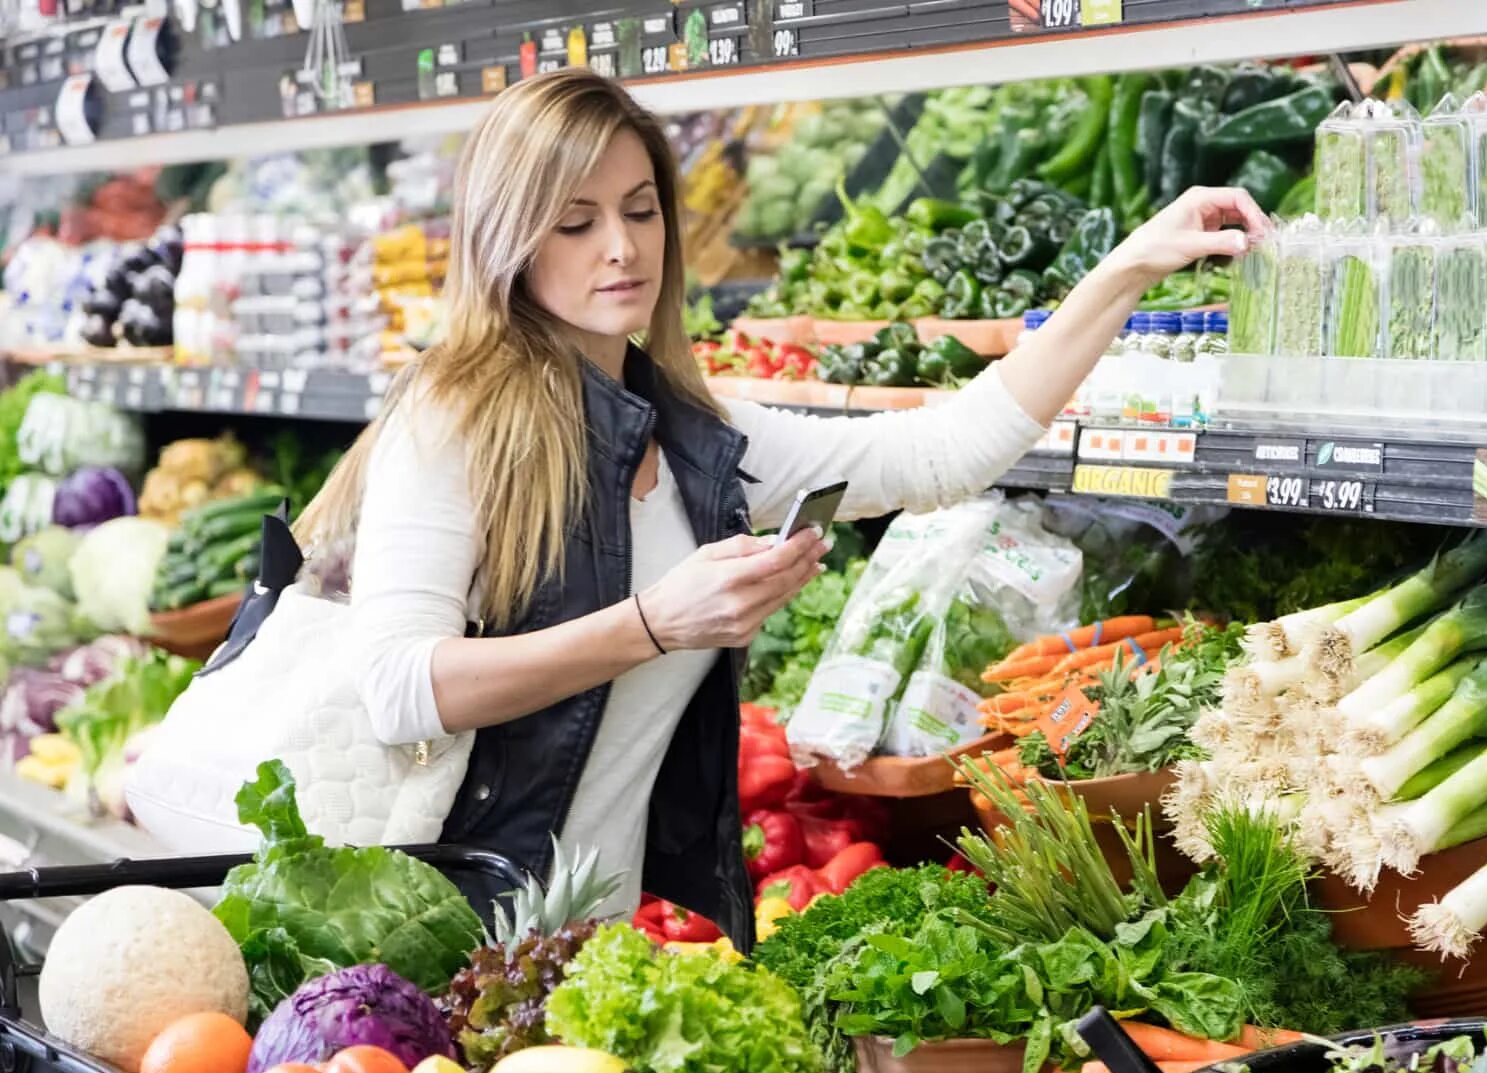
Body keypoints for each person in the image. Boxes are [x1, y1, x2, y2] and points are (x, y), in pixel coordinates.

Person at [296, 68, 1268, 944]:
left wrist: (1133, 267)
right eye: (576, 221)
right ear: (509, 236)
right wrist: (652, 624)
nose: (623, 247)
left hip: (589, 949)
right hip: (444, 936)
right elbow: (401, 688)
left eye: (640, 211)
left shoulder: (691, 435)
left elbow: (940, 453)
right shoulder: (455, 414)